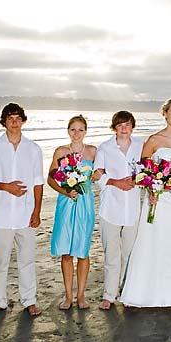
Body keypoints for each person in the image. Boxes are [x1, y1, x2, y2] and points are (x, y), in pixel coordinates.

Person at [119, 98, 171, 307]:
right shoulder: (154, 140)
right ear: (165, 113)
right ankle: (141, 292)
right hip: (158, 199)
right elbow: (142, 171)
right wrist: (150, 189)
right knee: (152, 241)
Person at [0, 103, 45, 317]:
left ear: (23, 120)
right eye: (10, 118)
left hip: (26, 214)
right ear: (4, 121)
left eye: (18, 118)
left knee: (27, 260)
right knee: (1, 261)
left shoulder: (33, 149)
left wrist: (36, 211)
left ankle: (29, 300)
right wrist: (5, 186)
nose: (14, 122)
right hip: (1, 214)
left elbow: (37, 182)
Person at [92, 111, 144, 310]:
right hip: (110, 208)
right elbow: (97, 175)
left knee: (129, 253)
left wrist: (138, 180)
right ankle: (109, 295)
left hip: (132, 208)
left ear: (132, 126)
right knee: (111, 254)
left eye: (128, 124)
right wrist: (115, 182)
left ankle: (127, 292)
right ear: (114, 127)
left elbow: (147, 170)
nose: (124, 128)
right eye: (120, 125)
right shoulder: (105, 148)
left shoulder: (140, 146)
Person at [47, 115, 97, 310]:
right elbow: (51, 179)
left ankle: (81, 295)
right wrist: (65, 191)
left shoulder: (93, 152)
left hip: (85, 203)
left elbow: (100, 173)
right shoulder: (60, 151)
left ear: (86, 131)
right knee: (67, 252)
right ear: (68, 130)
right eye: (73, 129)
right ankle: (68, 296)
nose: (77, 133)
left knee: (83, 251)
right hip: (66, 202)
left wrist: (98, 175)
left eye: (81, 130)